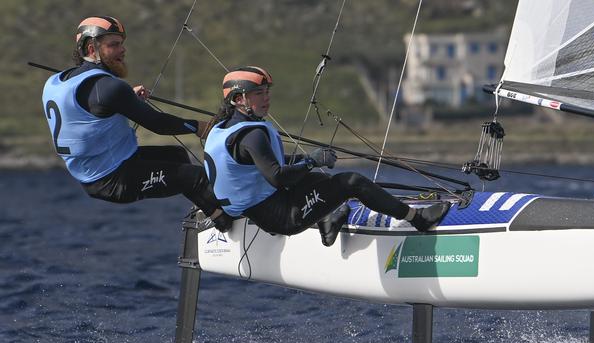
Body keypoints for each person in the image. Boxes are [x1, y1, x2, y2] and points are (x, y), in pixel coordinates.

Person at [203, 66, 450, 246]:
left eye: (267, 91)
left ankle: (328, 220)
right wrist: (311, 160)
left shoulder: (222, 129)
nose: (266, 98)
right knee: (351, 182)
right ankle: (418, 220)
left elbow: (263, 163)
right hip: (284, 218)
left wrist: (306, 162)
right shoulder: (252, 135)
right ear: (238, 99)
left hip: (263, 209)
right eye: (258, 93)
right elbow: (278, 177)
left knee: (317, 179)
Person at [41, 16, 232, 231]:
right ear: (91, 48)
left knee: (177, 156)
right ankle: (222, 222)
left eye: (122, 43)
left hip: (100, 170)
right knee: (196, 177)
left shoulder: (57, 81)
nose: (123, 50)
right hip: (113, 180)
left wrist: (126, 100)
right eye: (114, 45)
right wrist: (200, 127)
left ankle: (210, 211)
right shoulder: (108, 88)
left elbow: (88, 109)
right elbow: (158, 124)